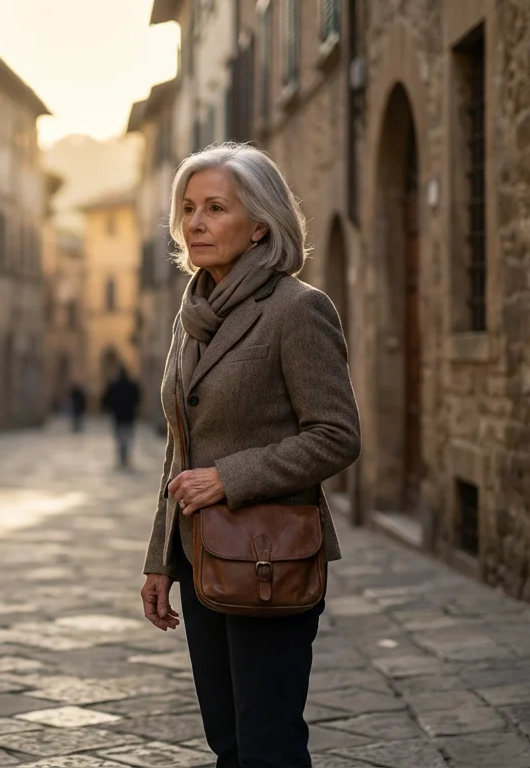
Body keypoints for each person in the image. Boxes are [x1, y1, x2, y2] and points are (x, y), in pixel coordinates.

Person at [138, 143, 360, 768]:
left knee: (268, 743)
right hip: (201, 555)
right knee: (227, 742)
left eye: (216, 207)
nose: (196, 223)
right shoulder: (192, 316)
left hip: (270, 557)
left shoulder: (297, 310)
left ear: (260, 223)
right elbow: (179, 448)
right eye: (187, 208)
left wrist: (229, 478)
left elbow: (337, 434)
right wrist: (161, 559)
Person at [101, 365, 141, 468]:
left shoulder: (114, 385)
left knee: (119, 438)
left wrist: (109, 409)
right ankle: (125, 457)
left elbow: (106, 398)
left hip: (118, 416)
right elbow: (138, 398)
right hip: (129, 415)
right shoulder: (132, 385)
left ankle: (121, 458)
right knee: (127, 437)